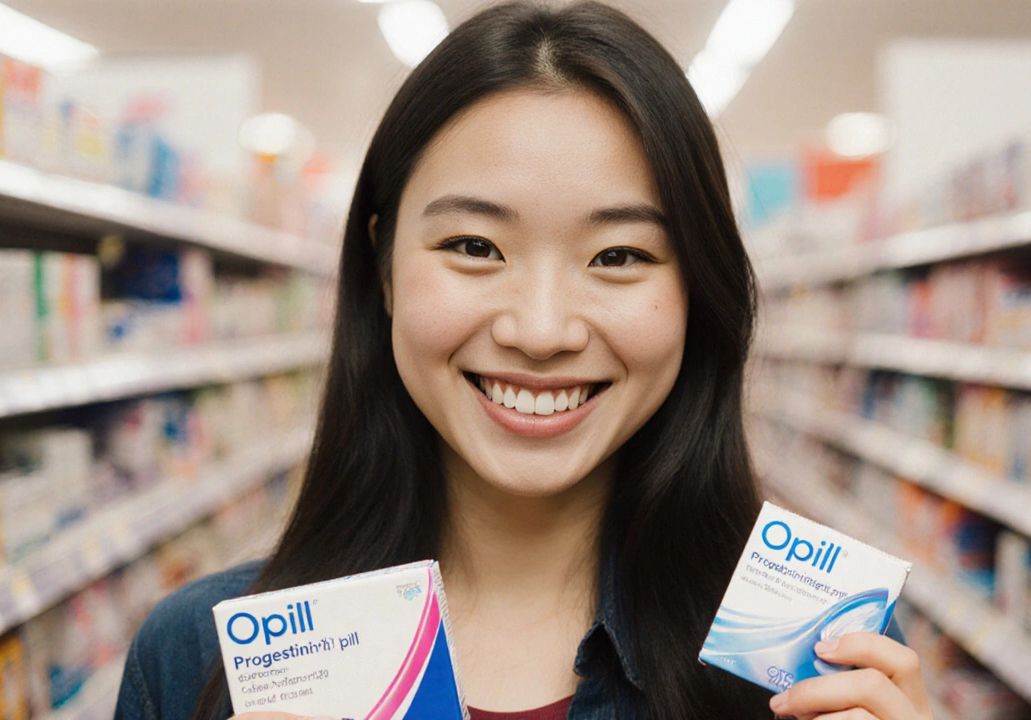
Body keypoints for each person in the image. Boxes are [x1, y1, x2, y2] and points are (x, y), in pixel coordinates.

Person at [114, 2, 934, 719]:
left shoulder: (818, 654)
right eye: (475, 246)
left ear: (698, 288)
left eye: (619, 256)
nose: (541, 332)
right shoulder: (196, 660)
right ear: (385, 266)